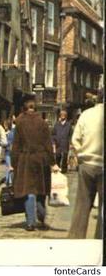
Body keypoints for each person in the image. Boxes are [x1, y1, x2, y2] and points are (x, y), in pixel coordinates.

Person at [11, 97, 59, 232]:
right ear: (35, 108)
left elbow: (16, 145)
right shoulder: (43, 123)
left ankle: (30, 222)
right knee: (41, 189)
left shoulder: (19, 122)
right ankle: (42, 216)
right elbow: (48, 145)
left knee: (29, 191)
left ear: (24, 109)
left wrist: (14, 163)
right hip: (41, 159)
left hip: (25, 159)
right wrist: (53, 162)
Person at [68, 88, 103, 239]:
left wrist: (81, 152)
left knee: (82, 205)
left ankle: (76, 238)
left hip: (87, 164)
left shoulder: (86, 114)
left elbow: (75, 139)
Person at [3, 116, 16, 185]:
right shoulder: (13, 131)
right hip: (13, 151)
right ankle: (8, 180)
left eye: (5, 125)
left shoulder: (8, 134)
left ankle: (8, 181)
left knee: (8, 166)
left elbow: (7, 143)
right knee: (9, 166)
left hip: (8, 151)